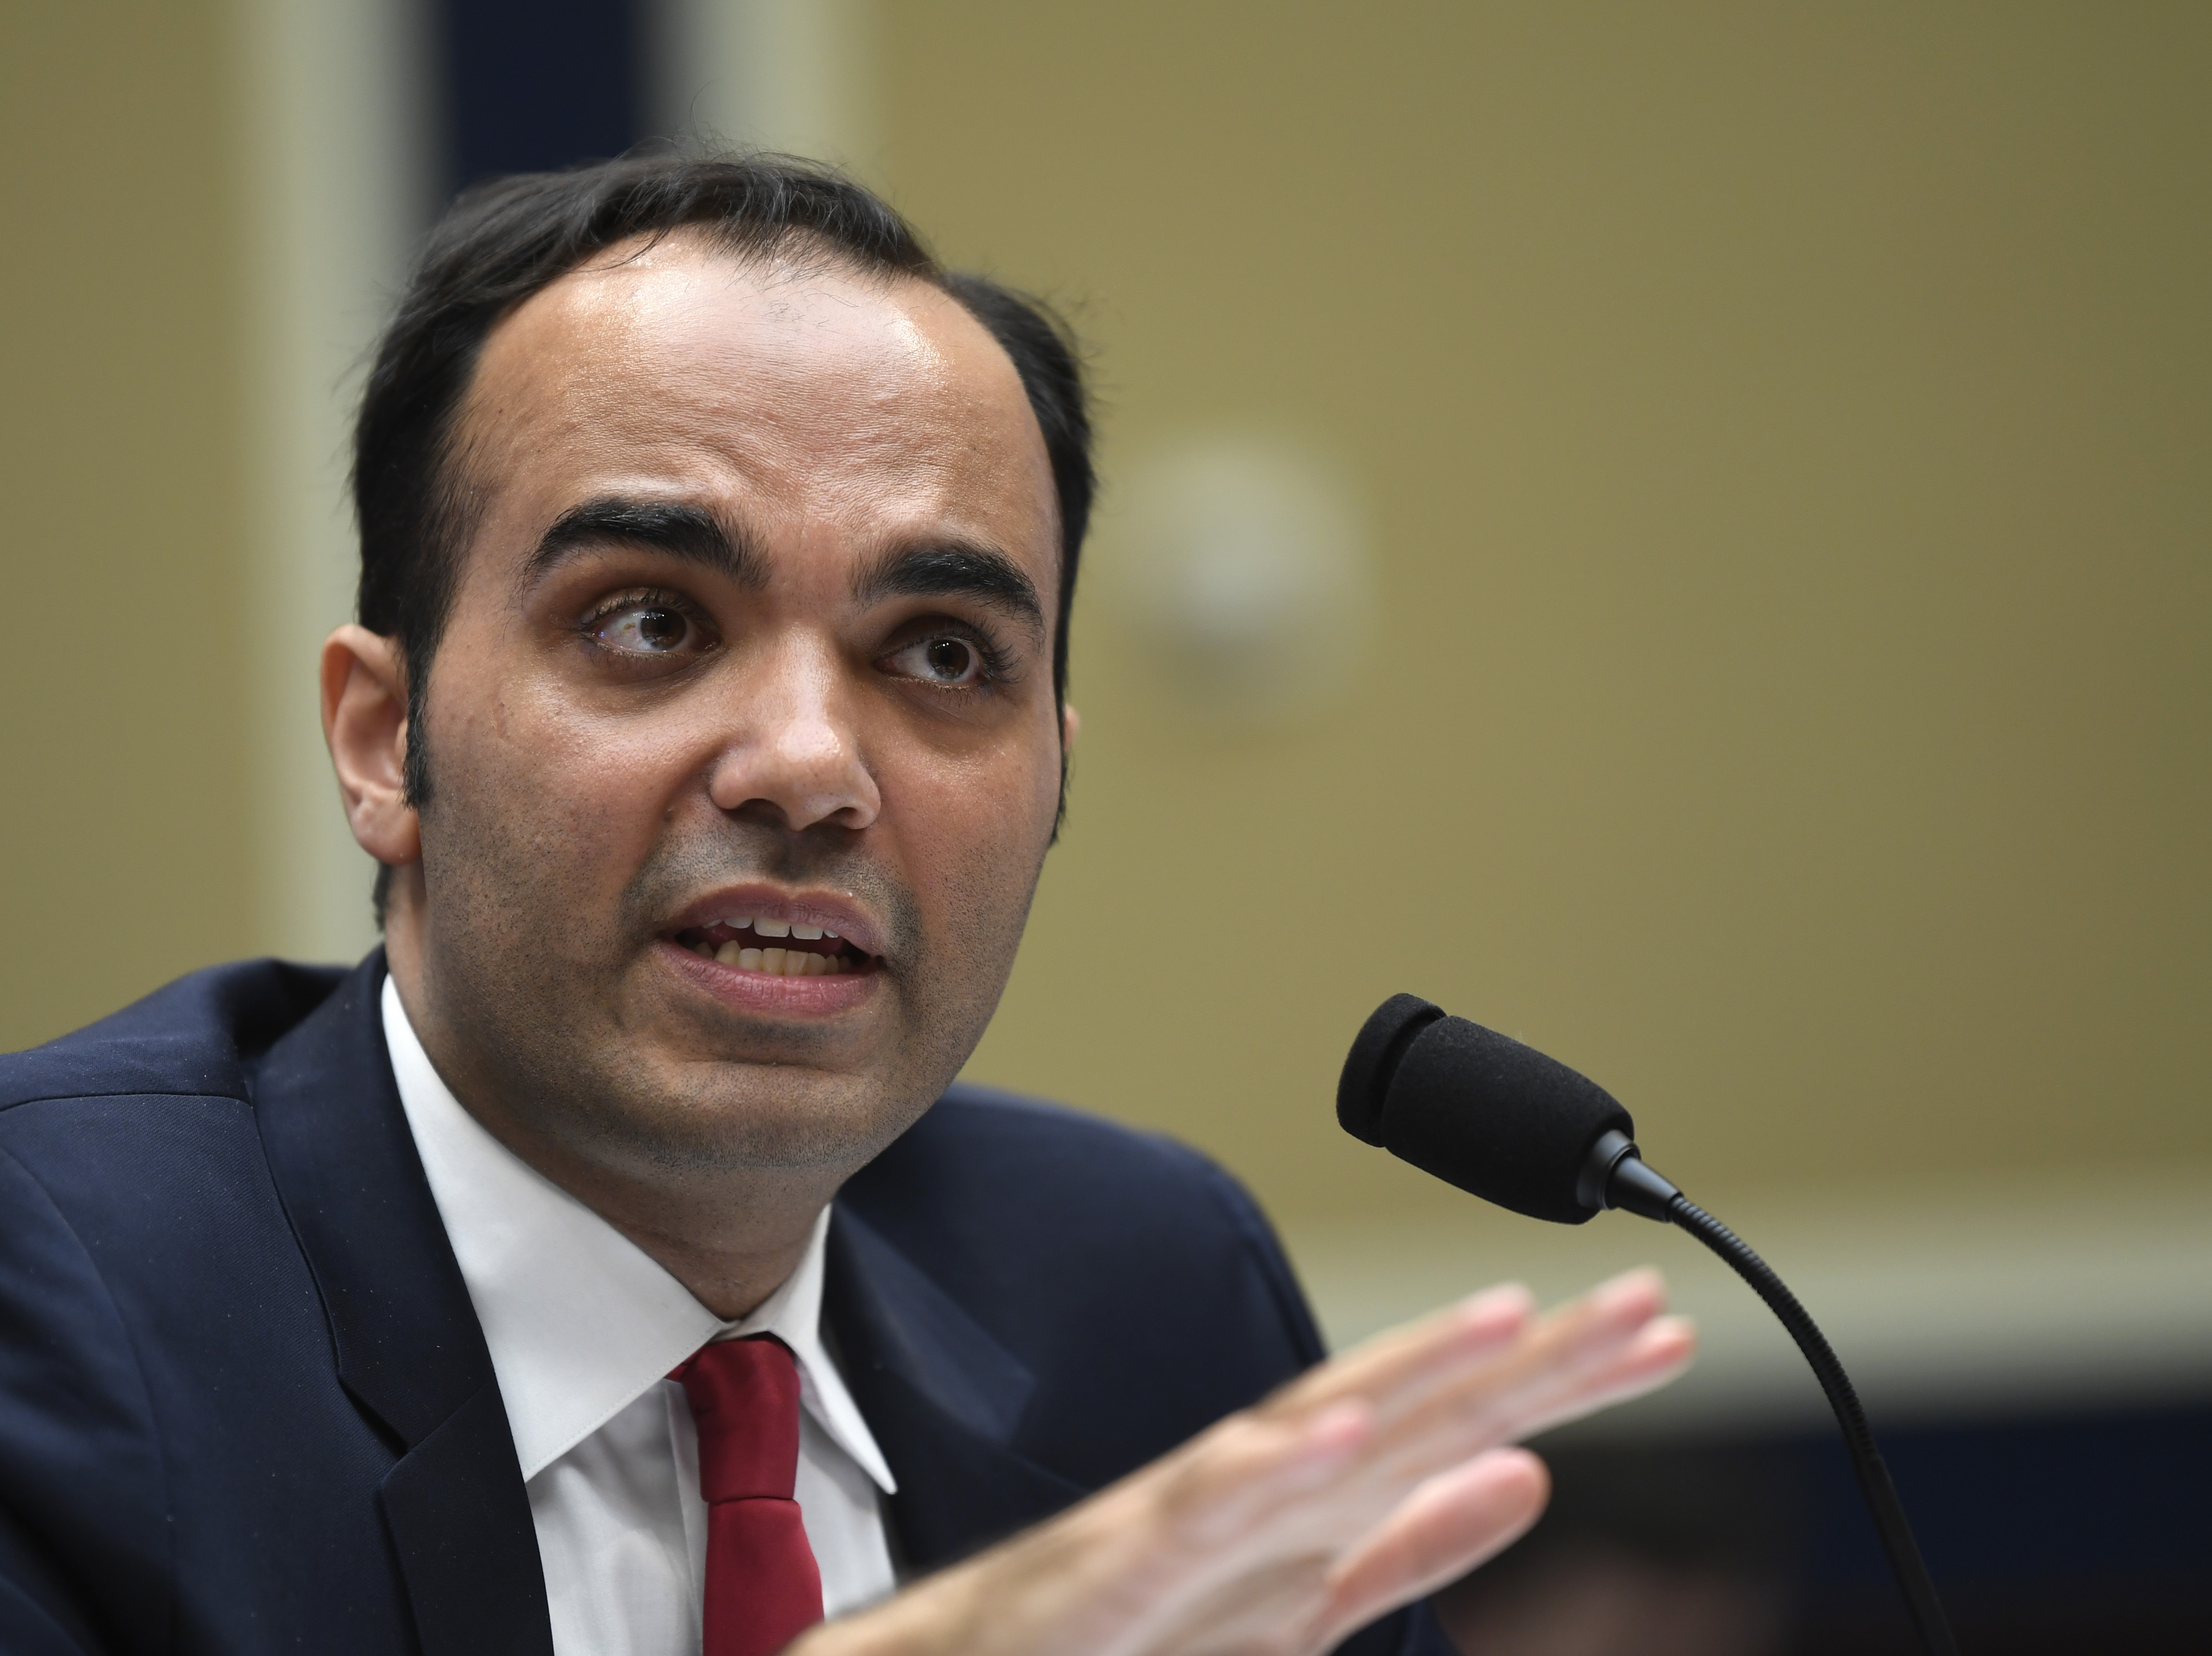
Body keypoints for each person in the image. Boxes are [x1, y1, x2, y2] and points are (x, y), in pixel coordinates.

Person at [0, 153, 1691, 1656]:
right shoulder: (54, 1292)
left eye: (942, 654)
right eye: (651, 621)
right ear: (386, 742)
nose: (811, 767)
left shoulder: (1149, 1290)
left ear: (1056, 781)